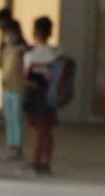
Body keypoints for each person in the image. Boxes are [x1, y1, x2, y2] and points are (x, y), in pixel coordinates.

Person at [22, 16, 61, 177]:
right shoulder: (57, 53)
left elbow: (26, 78)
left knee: (37, 130)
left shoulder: (31, 55)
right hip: (51, 95)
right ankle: (46, 162)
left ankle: (35, 162)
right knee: (48, 130)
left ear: (35, 32)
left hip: (36, 95)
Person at [0, 19, 27, 162]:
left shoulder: (21, 51)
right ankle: (10, 145)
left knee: (16, 118)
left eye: (11, 34)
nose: (8, 37)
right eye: (6, 35)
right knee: (9, 118)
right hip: (7, 87)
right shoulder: (5, 50)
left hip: (17, 88)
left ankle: (17, 146)